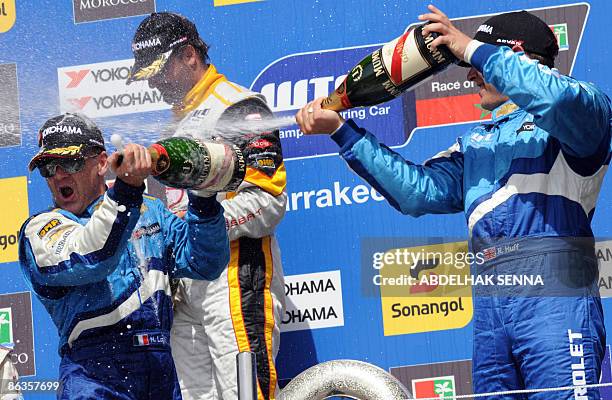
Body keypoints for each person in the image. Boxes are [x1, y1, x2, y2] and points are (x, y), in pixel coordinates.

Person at [296, 5, 611, 399]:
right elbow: (416, 192)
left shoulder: (583, 112)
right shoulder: (477, 144)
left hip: (554, 298)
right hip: (491, 305)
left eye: (477, 59)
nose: (469, 72)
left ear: (514, 56)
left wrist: (469, 46)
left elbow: (555, 99)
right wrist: (343, 133)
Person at [126, 12, 286, 400]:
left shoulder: (238, 105)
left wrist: (200, 225)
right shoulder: (172, 127)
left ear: (189, 55)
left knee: (245, 393)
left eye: (159, 70)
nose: (154, 82)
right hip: (185, 289)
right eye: (147, 74)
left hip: (234, 278)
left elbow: (269, 200)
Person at [18, 113, 230, 400]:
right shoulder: (41, 230)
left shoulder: (151, 211)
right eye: (47, 167)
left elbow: (205, 262)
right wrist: (127, 190)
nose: (58, 175)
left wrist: (203, 196)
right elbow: (94, 256)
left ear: (102, 163)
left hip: (161, 372)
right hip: (93, 379)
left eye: (69, 162)